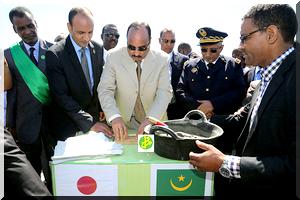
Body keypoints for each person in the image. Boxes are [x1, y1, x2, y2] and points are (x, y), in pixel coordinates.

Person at [189, 4, 297, 198]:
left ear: (271, 34)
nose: (240, 46)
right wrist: (192, 125)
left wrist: (226, 163)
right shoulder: (268, 74)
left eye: (244, 37)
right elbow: (242, 120)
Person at [46, 7, 112, 143]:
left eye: (90, 32)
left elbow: (100, 84)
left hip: (96, 122)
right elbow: (62, 97)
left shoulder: (98, 49)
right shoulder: (55, 54)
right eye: (81, 33)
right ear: (69, 27)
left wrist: (101, 108)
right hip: (69, 126)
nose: (86, 38)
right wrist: (89, 123)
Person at [4, 6, 53, 190]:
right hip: (26, 126)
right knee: (31, 177)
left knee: (55, 172)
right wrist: (10, 126)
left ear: (36, 23)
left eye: (30, 26)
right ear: (14, 30)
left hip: (53, 125)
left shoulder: (53, 49)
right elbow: (11, 93)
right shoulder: (9, 55)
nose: (27, 31)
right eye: (21, 28)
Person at [98, 22, 172, 141]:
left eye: (142, 48)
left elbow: (164, 92)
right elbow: (105, 90)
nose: (136, 53)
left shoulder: (162, 59)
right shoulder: (113, 57)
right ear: (126, 41)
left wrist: (151, 120)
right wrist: (114, 116)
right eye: (131, 47)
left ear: (150, 42)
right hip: (123, 124)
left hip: (154, 123)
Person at [177, 27, 246, 118]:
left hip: (222, 120)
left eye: (213, 50)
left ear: (221, 48)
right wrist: (199, 108)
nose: (207, 54)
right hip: (195, 120)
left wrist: (213, 104)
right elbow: (181, 91)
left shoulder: (233, 65)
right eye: (203, 50)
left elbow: (239, 91)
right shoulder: (189, 66)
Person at [159, 28, 188, 119]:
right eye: (166, 41)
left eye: (172, 41)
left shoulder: (184, 60)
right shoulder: (150, 59)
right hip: (155, 107)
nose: (169, 44)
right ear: (159, 41)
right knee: (151, 132)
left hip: (177, 110)